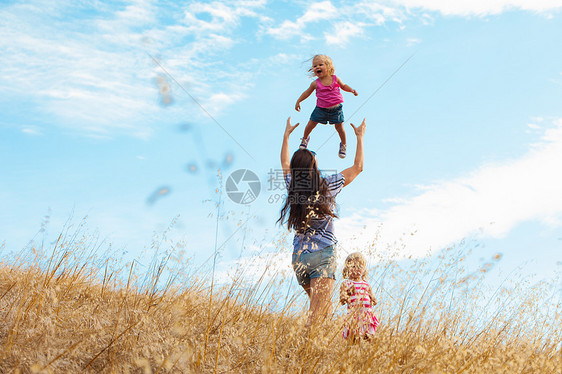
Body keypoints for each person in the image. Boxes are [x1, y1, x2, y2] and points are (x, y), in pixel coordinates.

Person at [279, 116, 366, 328]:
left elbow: (284, 163)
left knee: (323, 309)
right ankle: (305, 354)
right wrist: (360, 137)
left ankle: (320, 353)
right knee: (317, 314)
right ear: (314, 166)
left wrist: (286, 136)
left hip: (299, 257)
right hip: (322, 255)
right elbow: (357, 167)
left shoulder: (293, 187)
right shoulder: (328, 186)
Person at [294, 54, 358, 159]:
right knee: (311, 124)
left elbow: (343, 86)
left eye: (320, 65)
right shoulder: (315, 83)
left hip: (336, 109)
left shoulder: (335, 79)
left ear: (328, 66)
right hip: (321, 109)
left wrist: (351, 90)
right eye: (315, 66)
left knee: (339, 127)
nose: (317, 67)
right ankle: (305, 139)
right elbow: (307, 92)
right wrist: (298, 101)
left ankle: (343, 145)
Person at [340, 252, 379, 341]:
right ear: (347, 268)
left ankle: (366, 354)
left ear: (364, 269)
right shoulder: (346, 283)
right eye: (353, 267)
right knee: (354, 339)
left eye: (360, 267)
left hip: (367, 316)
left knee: (368, 338)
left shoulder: (366, 284)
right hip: (354, 316)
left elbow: (372, 298)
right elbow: (342, 300)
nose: (357, 270)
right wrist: (348, 294)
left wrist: (373, 300)